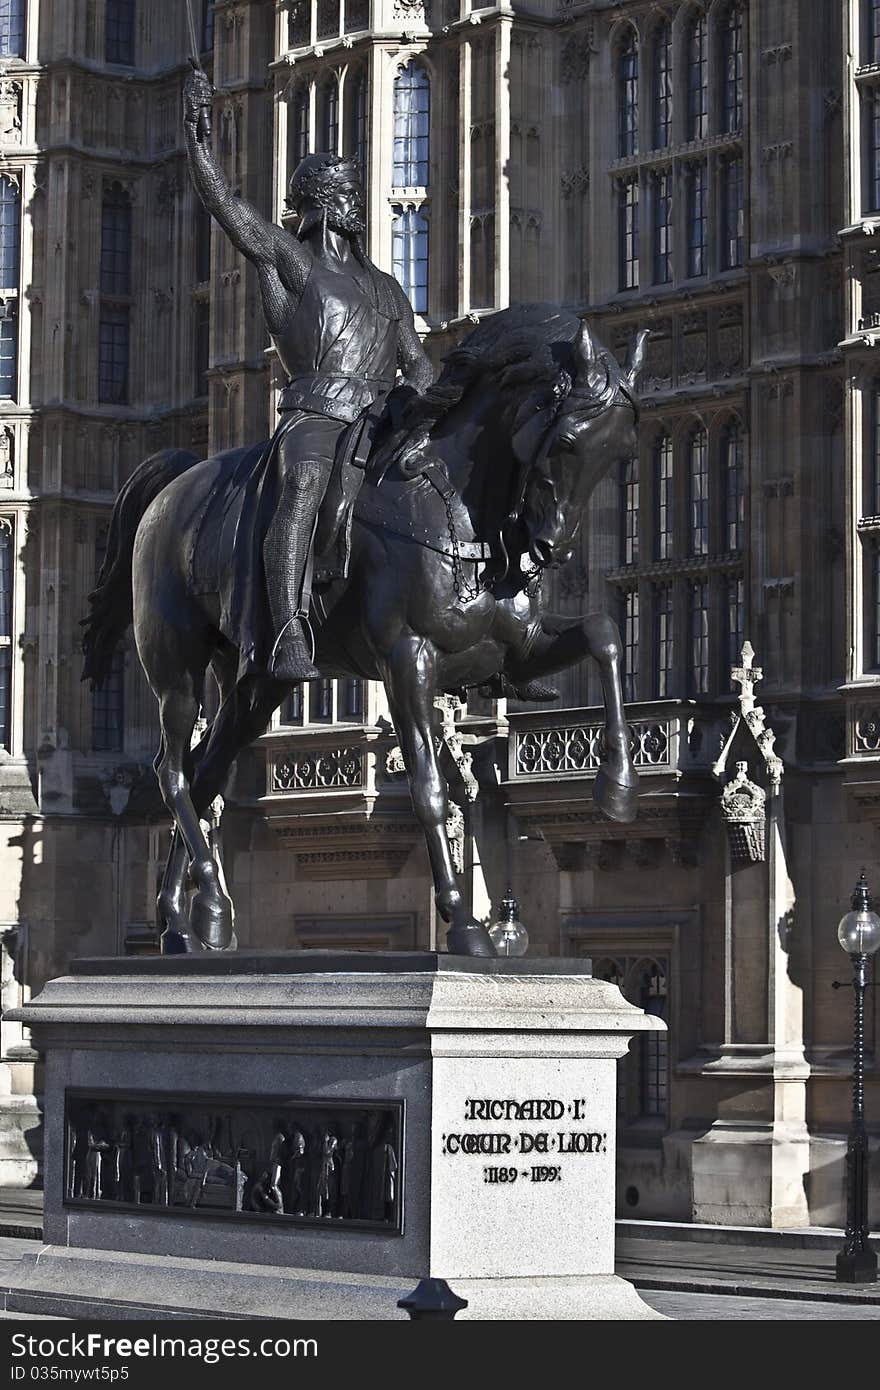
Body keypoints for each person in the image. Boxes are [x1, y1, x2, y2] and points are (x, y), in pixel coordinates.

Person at [183, 66, 433, 684]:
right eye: (346, 194)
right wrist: (197, 143)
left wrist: (433, 401)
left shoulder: (387, 288)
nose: (357, 205)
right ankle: (291, 628)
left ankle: (496, 627)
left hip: (379, 420)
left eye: (356, 193)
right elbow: (229, 210)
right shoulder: (293, 262)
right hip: (316, 418)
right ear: (320, 205)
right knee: (301, 494)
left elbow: (419, 363)